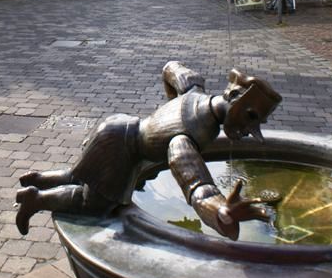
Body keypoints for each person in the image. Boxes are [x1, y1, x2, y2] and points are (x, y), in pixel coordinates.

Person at [15, 62, 282, 240]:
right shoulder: (188, 136)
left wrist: (168, 107)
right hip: (120, 152)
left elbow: (170, 68)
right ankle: (35, 199)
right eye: (251, 119)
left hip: (116, 125)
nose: (250, 130)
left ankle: (38, 178)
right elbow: (197, 185)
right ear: (235, 101)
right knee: (94, 204)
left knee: (78, 175)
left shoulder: (193, 88)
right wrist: (222, 212)